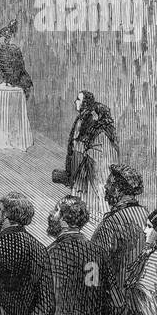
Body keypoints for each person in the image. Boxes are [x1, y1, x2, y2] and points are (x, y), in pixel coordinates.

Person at [89, 163, 149, 315]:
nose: (105, 188)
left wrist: (89, 295)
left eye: (108, 184)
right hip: (145, 312)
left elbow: (92, 266)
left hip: (116, 314)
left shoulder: (111, 224)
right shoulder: (148, 218)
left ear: (118, 189)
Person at [56, 90, 119, 230]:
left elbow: (82, 146)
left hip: (92, 165)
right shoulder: (83, 119)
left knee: (93, 192)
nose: (75, 102)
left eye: (78, 100)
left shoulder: (88, 121)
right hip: (88, 163)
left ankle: (92, 220)